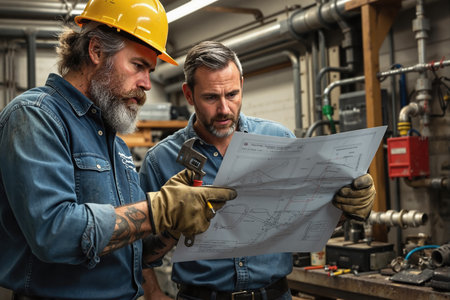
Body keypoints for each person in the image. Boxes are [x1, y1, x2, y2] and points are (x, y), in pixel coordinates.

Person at [0, 2, 237, 299]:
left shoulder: (116, 143)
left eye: (150, 70)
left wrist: (173, 221)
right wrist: (158, 209)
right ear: (96, 51)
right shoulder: (36, 117)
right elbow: (54, 233)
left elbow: (135, 250)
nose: (147, 84)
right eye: (138, 66)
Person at [139, 41, 376, 300]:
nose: (224, 109)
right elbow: (137, 250)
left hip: (275, 294)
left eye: (232, 94)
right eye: (210, 97)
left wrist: (345, 207)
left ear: (242, 84)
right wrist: (152, 293)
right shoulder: (161, 160)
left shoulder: (280, 140)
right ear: (188, 94)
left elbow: (309, 220)